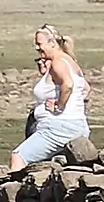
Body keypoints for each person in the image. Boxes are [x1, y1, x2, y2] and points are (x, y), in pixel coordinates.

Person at [14, 25, 90, 167]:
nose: (37, 48)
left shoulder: (58, 62)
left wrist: (58, 106)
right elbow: (86, 89)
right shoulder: (71, 62)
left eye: (39, 44)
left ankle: (14, 188)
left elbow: (67, 85)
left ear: (52, 43)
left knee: (19, 156)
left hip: (58, 127)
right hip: (79, 126)